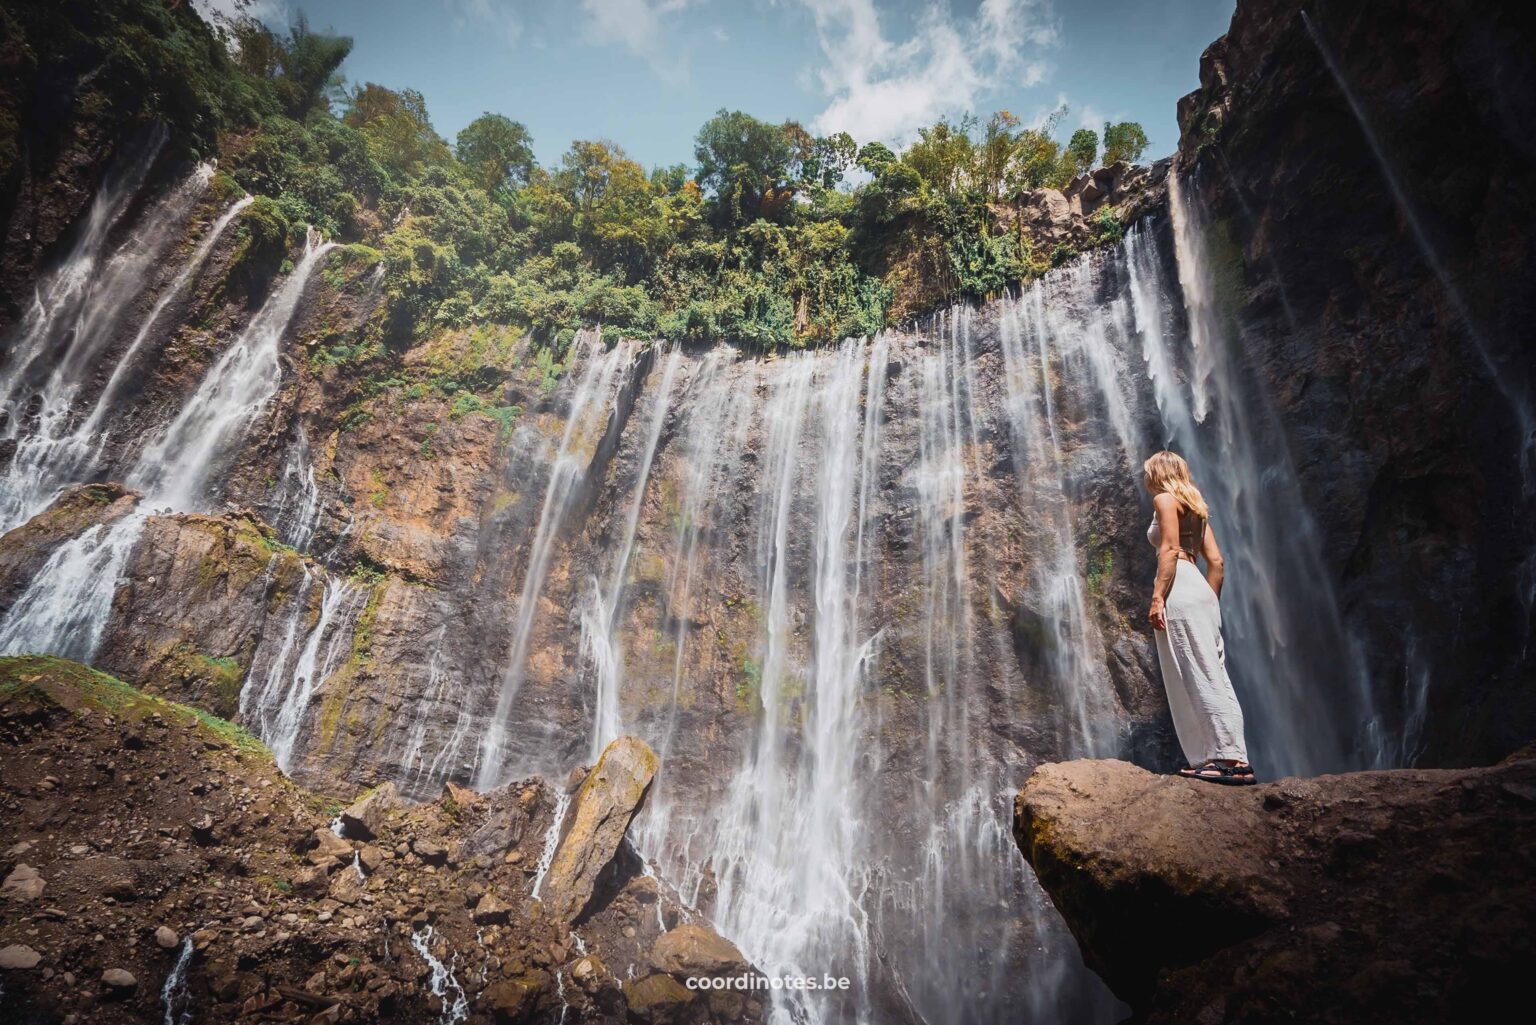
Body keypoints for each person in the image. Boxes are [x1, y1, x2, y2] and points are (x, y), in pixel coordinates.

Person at [1143, 450, 1255, 785]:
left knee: (1198, 673)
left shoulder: (1164, 499)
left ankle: (1230, 760)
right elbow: (1217, 563)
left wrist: (1158, 597)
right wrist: (1209, 603)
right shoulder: (1196, 507)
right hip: (1202, 592)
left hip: (1181, 588)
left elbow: (1169, 550)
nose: (1144, 478)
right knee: (1214, 674)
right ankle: (1224, 756)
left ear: (1158, 473)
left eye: (1147, 471)